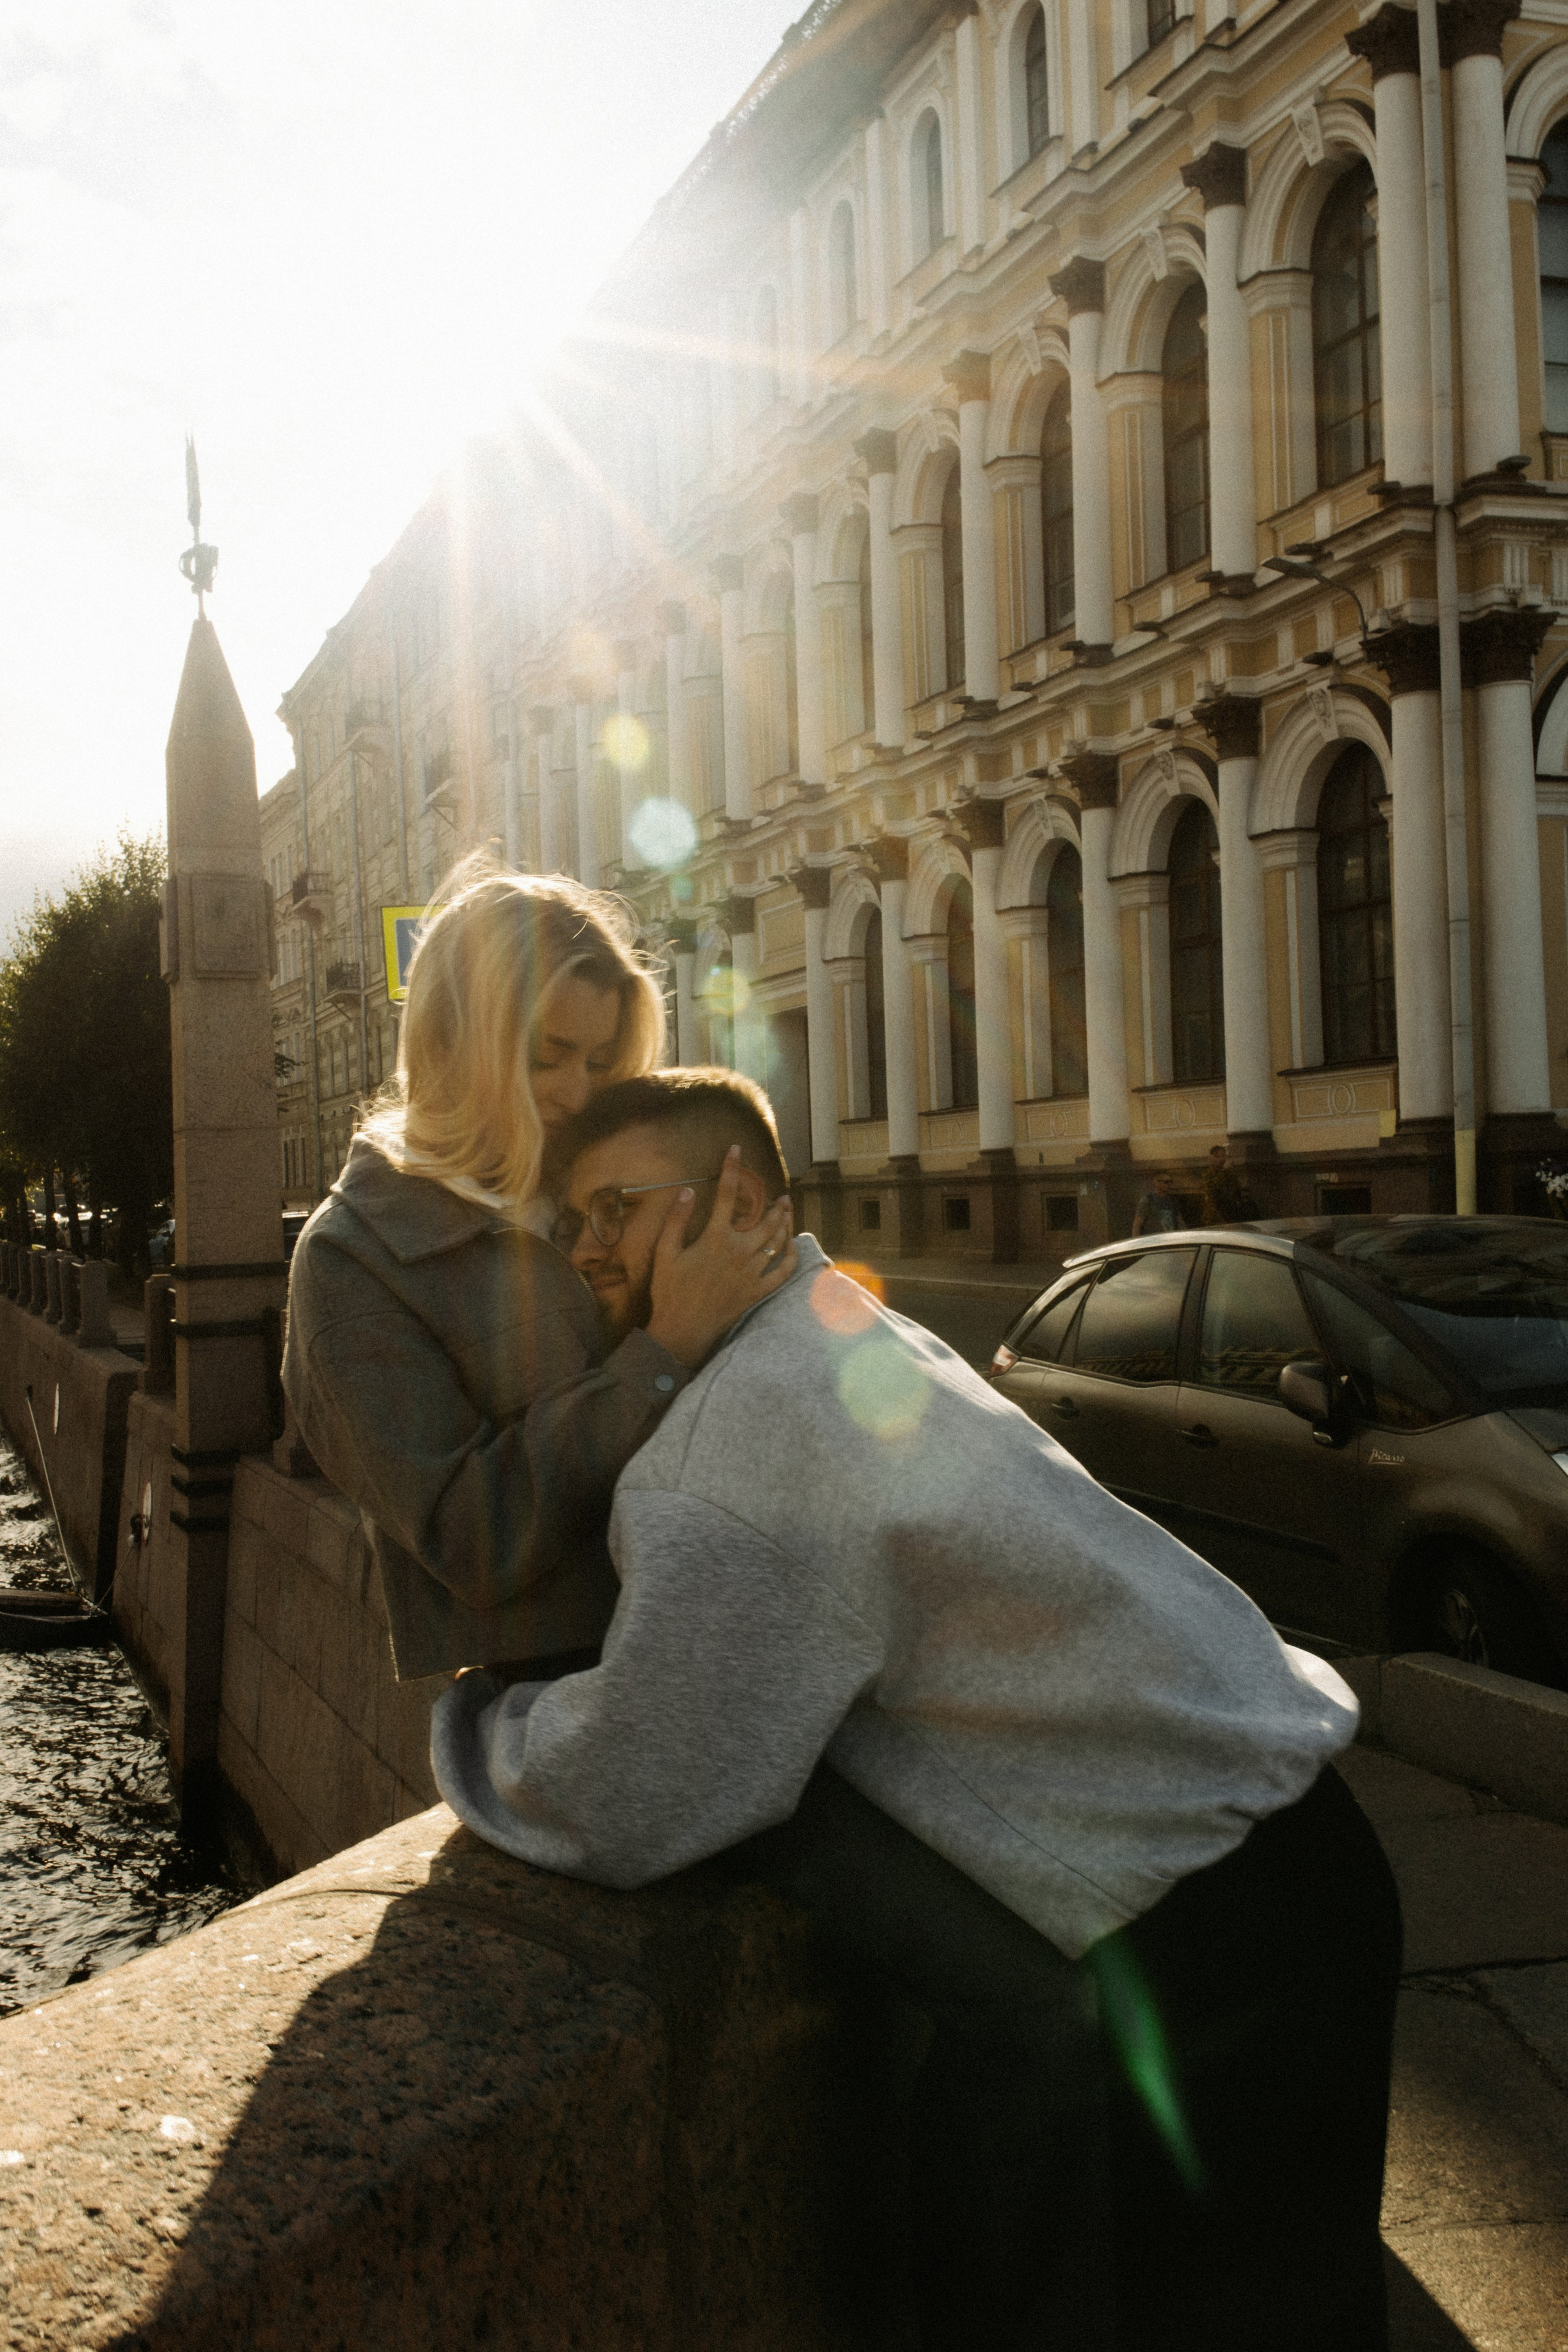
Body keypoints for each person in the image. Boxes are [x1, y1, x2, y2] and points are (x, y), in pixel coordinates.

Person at [432, 1068, 1402, 2352]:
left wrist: (477, 1728)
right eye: (574, 1220)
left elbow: (637, 1787)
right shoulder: (839, 1324)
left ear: (738, 1202)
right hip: (1303, 1869)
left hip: (1213, 1950)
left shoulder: (737, 1436)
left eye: (618, 1208)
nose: (586, 1248)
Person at [281, 859, 794, 1685]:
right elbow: (467, 1537)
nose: (578, 1092)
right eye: (550, 1056)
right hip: (561, 1697)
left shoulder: (601, 1186)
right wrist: (659, 1358)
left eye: (599, 1060)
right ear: (459, 1038)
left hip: (750, 1635)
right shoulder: (355, 1257)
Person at [1202, 1141, 1259, 1224]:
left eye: (1224, 1156)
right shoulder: (1208, 1174)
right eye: (1219, 1157)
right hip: (1216, 1214)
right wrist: (1224, 1171)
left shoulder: (1230, 1172)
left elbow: (1236, 1188)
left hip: (1231, 1211)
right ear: (1211, 1158)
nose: (1222, 1159)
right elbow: (1213, 1189)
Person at [1130, 1167, 1185, 1235]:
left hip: (1171, 1239)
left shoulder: (1172, 1201)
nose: (1169, 1185)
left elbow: (1180, 1222)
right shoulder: (1148, 1201)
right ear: (1157, 1182)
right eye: (1166, 1182)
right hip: (1155, 1240)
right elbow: (1138, 1224)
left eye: (1170, 1182)